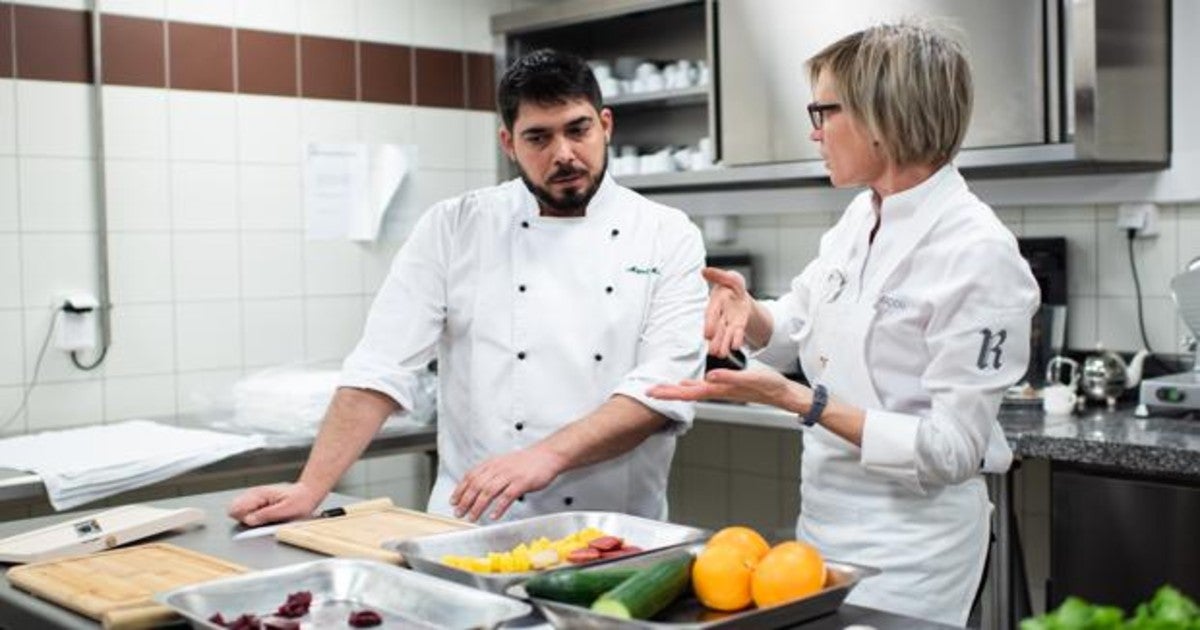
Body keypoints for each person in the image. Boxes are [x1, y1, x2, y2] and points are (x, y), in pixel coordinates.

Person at [648, 23, 1039, 626]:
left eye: (823, 111)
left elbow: (952, 450)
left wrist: (798, 400)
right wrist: (747, 311)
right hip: (823, 532)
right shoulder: (861, 217)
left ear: (884, 117)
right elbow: (793, 327)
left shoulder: (978, 252)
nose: (813, 130)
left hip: (915, 553)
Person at [229, 49, 706, 526]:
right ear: (508, 142)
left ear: (605, 125)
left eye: (577, 130)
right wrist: (311, 487)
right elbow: (381, 364)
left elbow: (661, 390)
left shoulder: (666, 233)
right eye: (538, 137)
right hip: (475, 527)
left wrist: (545, 455)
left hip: (614, 531)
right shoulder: (455, 226)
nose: (563, 154)